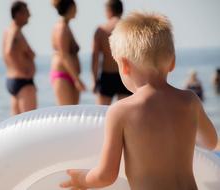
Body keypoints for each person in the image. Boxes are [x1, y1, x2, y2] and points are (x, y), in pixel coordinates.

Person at [60, 12, 218, 189]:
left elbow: (106, 175)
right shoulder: (190, 101)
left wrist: (81, 179)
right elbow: (210, 142)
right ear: (172, 62)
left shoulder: (121, 111)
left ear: (125, 66)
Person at [92, 0, 132, 105]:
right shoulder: (129, 28)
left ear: (109, 11)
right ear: (121, 10)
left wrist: (94, 80)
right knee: (124, 116)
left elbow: (95, 58)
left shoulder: (101, 30)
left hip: (107, 76)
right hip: (125, 74)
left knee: (100, 115)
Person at [2, 1, 37, 115]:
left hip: (14, 80)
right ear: (18, 14)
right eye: (27, 12)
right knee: (30, 121)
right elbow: (8, 52)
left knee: (16, 123)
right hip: (23, 81)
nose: (30, 15)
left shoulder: (9, 30)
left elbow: (8, 53)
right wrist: (22, 70)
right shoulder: (15, 31)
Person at [50, 0, 86, 105]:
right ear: (70, 8)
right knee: (67, 113)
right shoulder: (61, 28)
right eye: (75, 7)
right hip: (63, 75)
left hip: (70, 74)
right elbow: (64, 55)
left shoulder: (65, 26)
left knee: (73, 113)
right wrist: (77, 79)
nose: (77, 10)